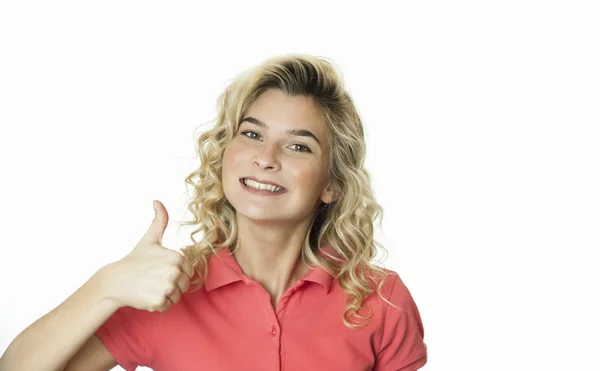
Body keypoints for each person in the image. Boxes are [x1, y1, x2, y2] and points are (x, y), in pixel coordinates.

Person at [0, 54, 427, 371]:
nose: (266, 157)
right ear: (225, 155)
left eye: (298, 145)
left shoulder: (381, 300)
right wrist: (106, 286)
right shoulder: (166, 292)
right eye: (252, 134)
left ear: (331, 184)